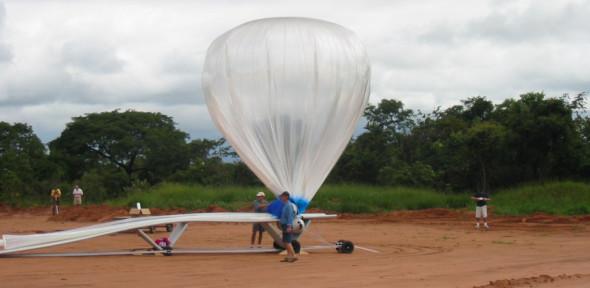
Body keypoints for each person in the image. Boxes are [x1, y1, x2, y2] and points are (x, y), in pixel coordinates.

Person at [279, 191, 297, 263]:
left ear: (286, 197)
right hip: (285, 225)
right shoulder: (285, 204)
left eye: (282, 196)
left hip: (287, 225)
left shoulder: (288, 205)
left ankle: (293, 256)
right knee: (285, 241)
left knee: (287, 242)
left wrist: (289, 226)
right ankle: (289, 256)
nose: (281, 197)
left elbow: (290, 217)